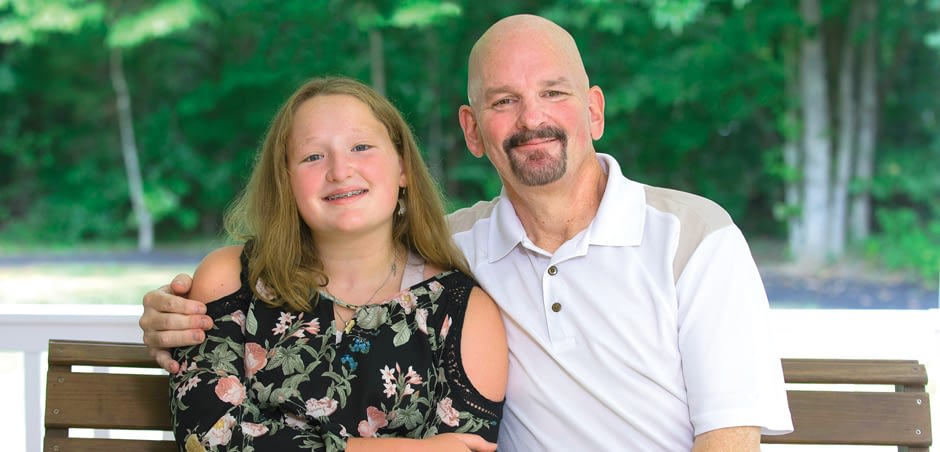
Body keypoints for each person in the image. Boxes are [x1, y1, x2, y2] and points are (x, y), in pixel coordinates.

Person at [141, 15, 792, 451]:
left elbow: (728, 440)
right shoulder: (453, 252)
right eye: (503, 100)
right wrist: (172, 313)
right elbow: (329, 258)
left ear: (593, 109)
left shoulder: (694, 239)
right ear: (473, 130)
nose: (531, 118)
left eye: (553, 93)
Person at [165, 76, 507, 452]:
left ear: (403, 168)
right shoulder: (231, 281)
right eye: (313, 156)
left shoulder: (458, 309)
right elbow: (209, 440)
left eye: (361, 147)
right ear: (286, 179)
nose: (340, 170)